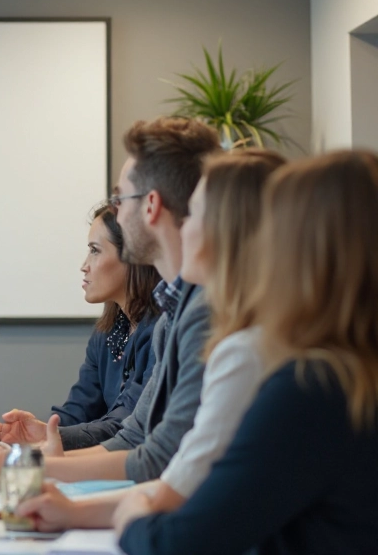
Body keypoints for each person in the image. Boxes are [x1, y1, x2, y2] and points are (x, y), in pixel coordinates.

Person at [115, 150, 378, 554]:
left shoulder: (312, 388)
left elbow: (178, 543)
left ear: (306, 249)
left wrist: (132, 513)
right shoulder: (351, 373)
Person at [0, 117, 218, 493]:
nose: (116, 211)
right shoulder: (172, 315)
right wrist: (27, 457)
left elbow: (156, 455)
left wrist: (18, 469)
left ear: (151, 205)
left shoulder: (203, 314)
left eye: (121, 200)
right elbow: (134, 437)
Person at [17, 149, 286, 531]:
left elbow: (167, 469)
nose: (184, 228)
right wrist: (46, 450)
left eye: (195, 214)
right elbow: (137, 437)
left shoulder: (223, 335)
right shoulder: (150, 325)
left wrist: (33, 467)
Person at [0, 203, 161, 452]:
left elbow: (125, 425)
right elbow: (77, 411)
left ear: (132, 256)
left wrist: (49, 438)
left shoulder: (160, 331)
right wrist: (39, 432)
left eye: (95, 251)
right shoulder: (107, 332)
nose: (84, 265)